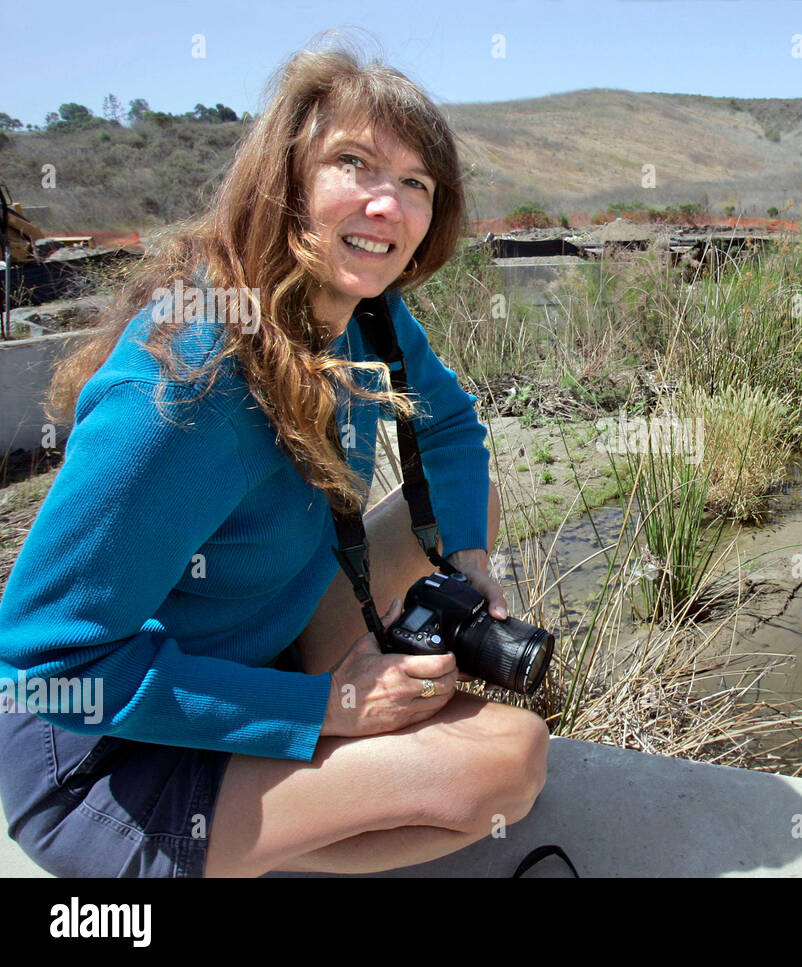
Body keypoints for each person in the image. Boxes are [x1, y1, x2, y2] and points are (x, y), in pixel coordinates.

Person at [0, 43, 549, 878]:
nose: (386, 204)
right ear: (284, 182)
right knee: (507, 764)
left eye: (414, 184)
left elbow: (451, 428)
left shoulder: (371, 321)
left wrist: (466, 557)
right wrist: (326, 708)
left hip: (255, 643)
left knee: (457, 507)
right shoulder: (183, 390)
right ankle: (252, 840)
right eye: (353, 163)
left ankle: (296, 776)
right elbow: (38, 666)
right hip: (101, 755)